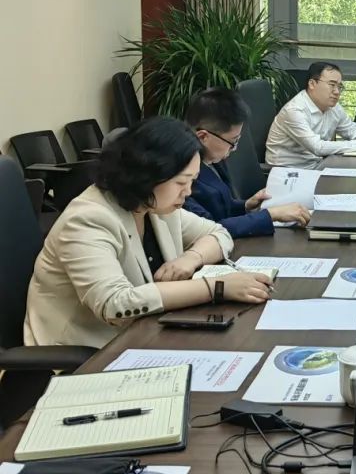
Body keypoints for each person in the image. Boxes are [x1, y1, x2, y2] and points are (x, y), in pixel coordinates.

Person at [23, 117, 273, 348]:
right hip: (87, 350)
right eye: (181, 182)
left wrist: (191, 258)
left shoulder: (155, 205)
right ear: (149, 174)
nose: (188, 192)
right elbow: (115, 304)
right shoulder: (88, 219)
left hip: (146, 334)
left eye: (192, 181)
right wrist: (216, 287)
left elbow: (218, 233)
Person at [184, 88, 310, 237]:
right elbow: (211, 228)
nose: (235, 148)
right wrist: (270, 215)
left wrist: (246, 205)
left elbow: (222, 206)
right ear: (203, 137)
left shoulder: (213, 158)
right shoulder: (184, 175)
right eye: (233, 142)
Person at [265, 62, 356, 168]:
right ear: (312, 84)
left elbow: (351, 129)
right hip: (288, 172)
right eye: (332, 85)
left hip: (317, 165)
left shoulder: (333, 107)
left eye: (339, 86)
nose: (337, 91)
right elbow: (317, 147)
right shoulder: (294, 111)